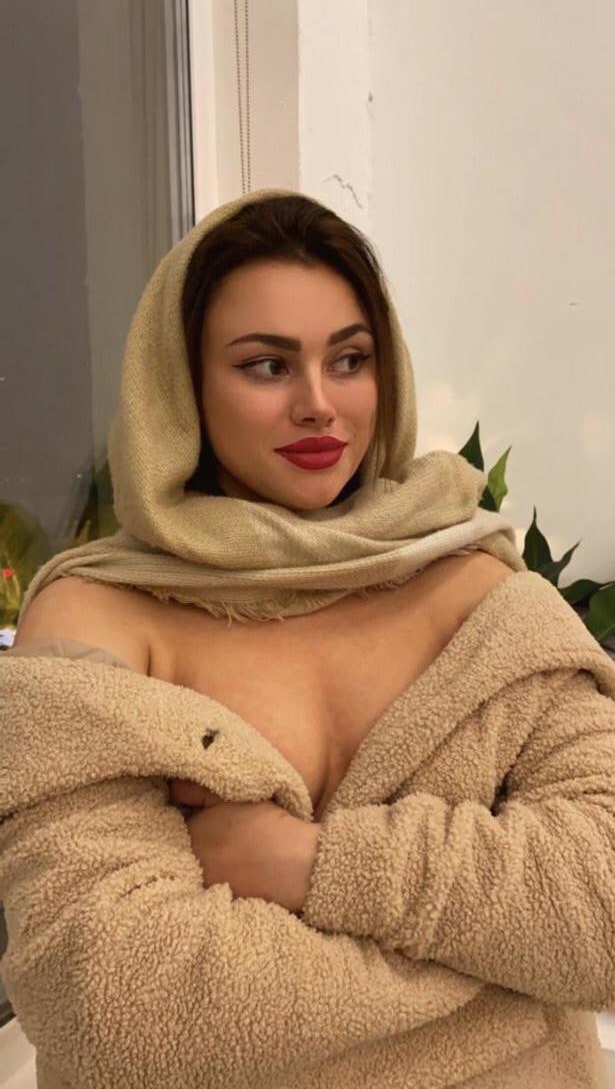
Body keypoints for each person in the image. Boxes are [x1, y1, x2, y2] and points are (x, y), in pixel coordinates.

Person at [2, 189, 614, 1089]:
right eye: (266, 366)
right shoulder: (96, 616)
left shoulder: (481, 592)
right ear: (182, 388)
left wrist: (315, 866)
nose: (319, 405)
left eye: (349, 359)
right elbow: (114, 1006)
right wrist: (502, 982)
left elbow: (601, 907)